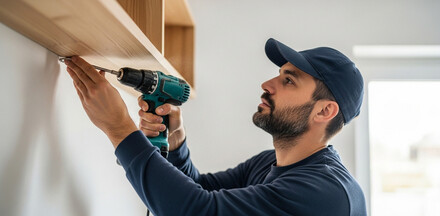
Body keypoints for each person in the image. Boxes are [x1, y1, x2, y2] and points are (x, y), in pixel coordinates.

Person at [65, 38, 367, 216]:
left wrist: (119, 128)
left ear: (325, 111)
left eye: (288, 80)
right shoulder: (269, 164)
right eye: (279, 74)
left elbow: (197, 210)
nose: (267, 84)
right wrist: (176, 143)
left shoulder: (327, 194)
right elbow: (202, 190)